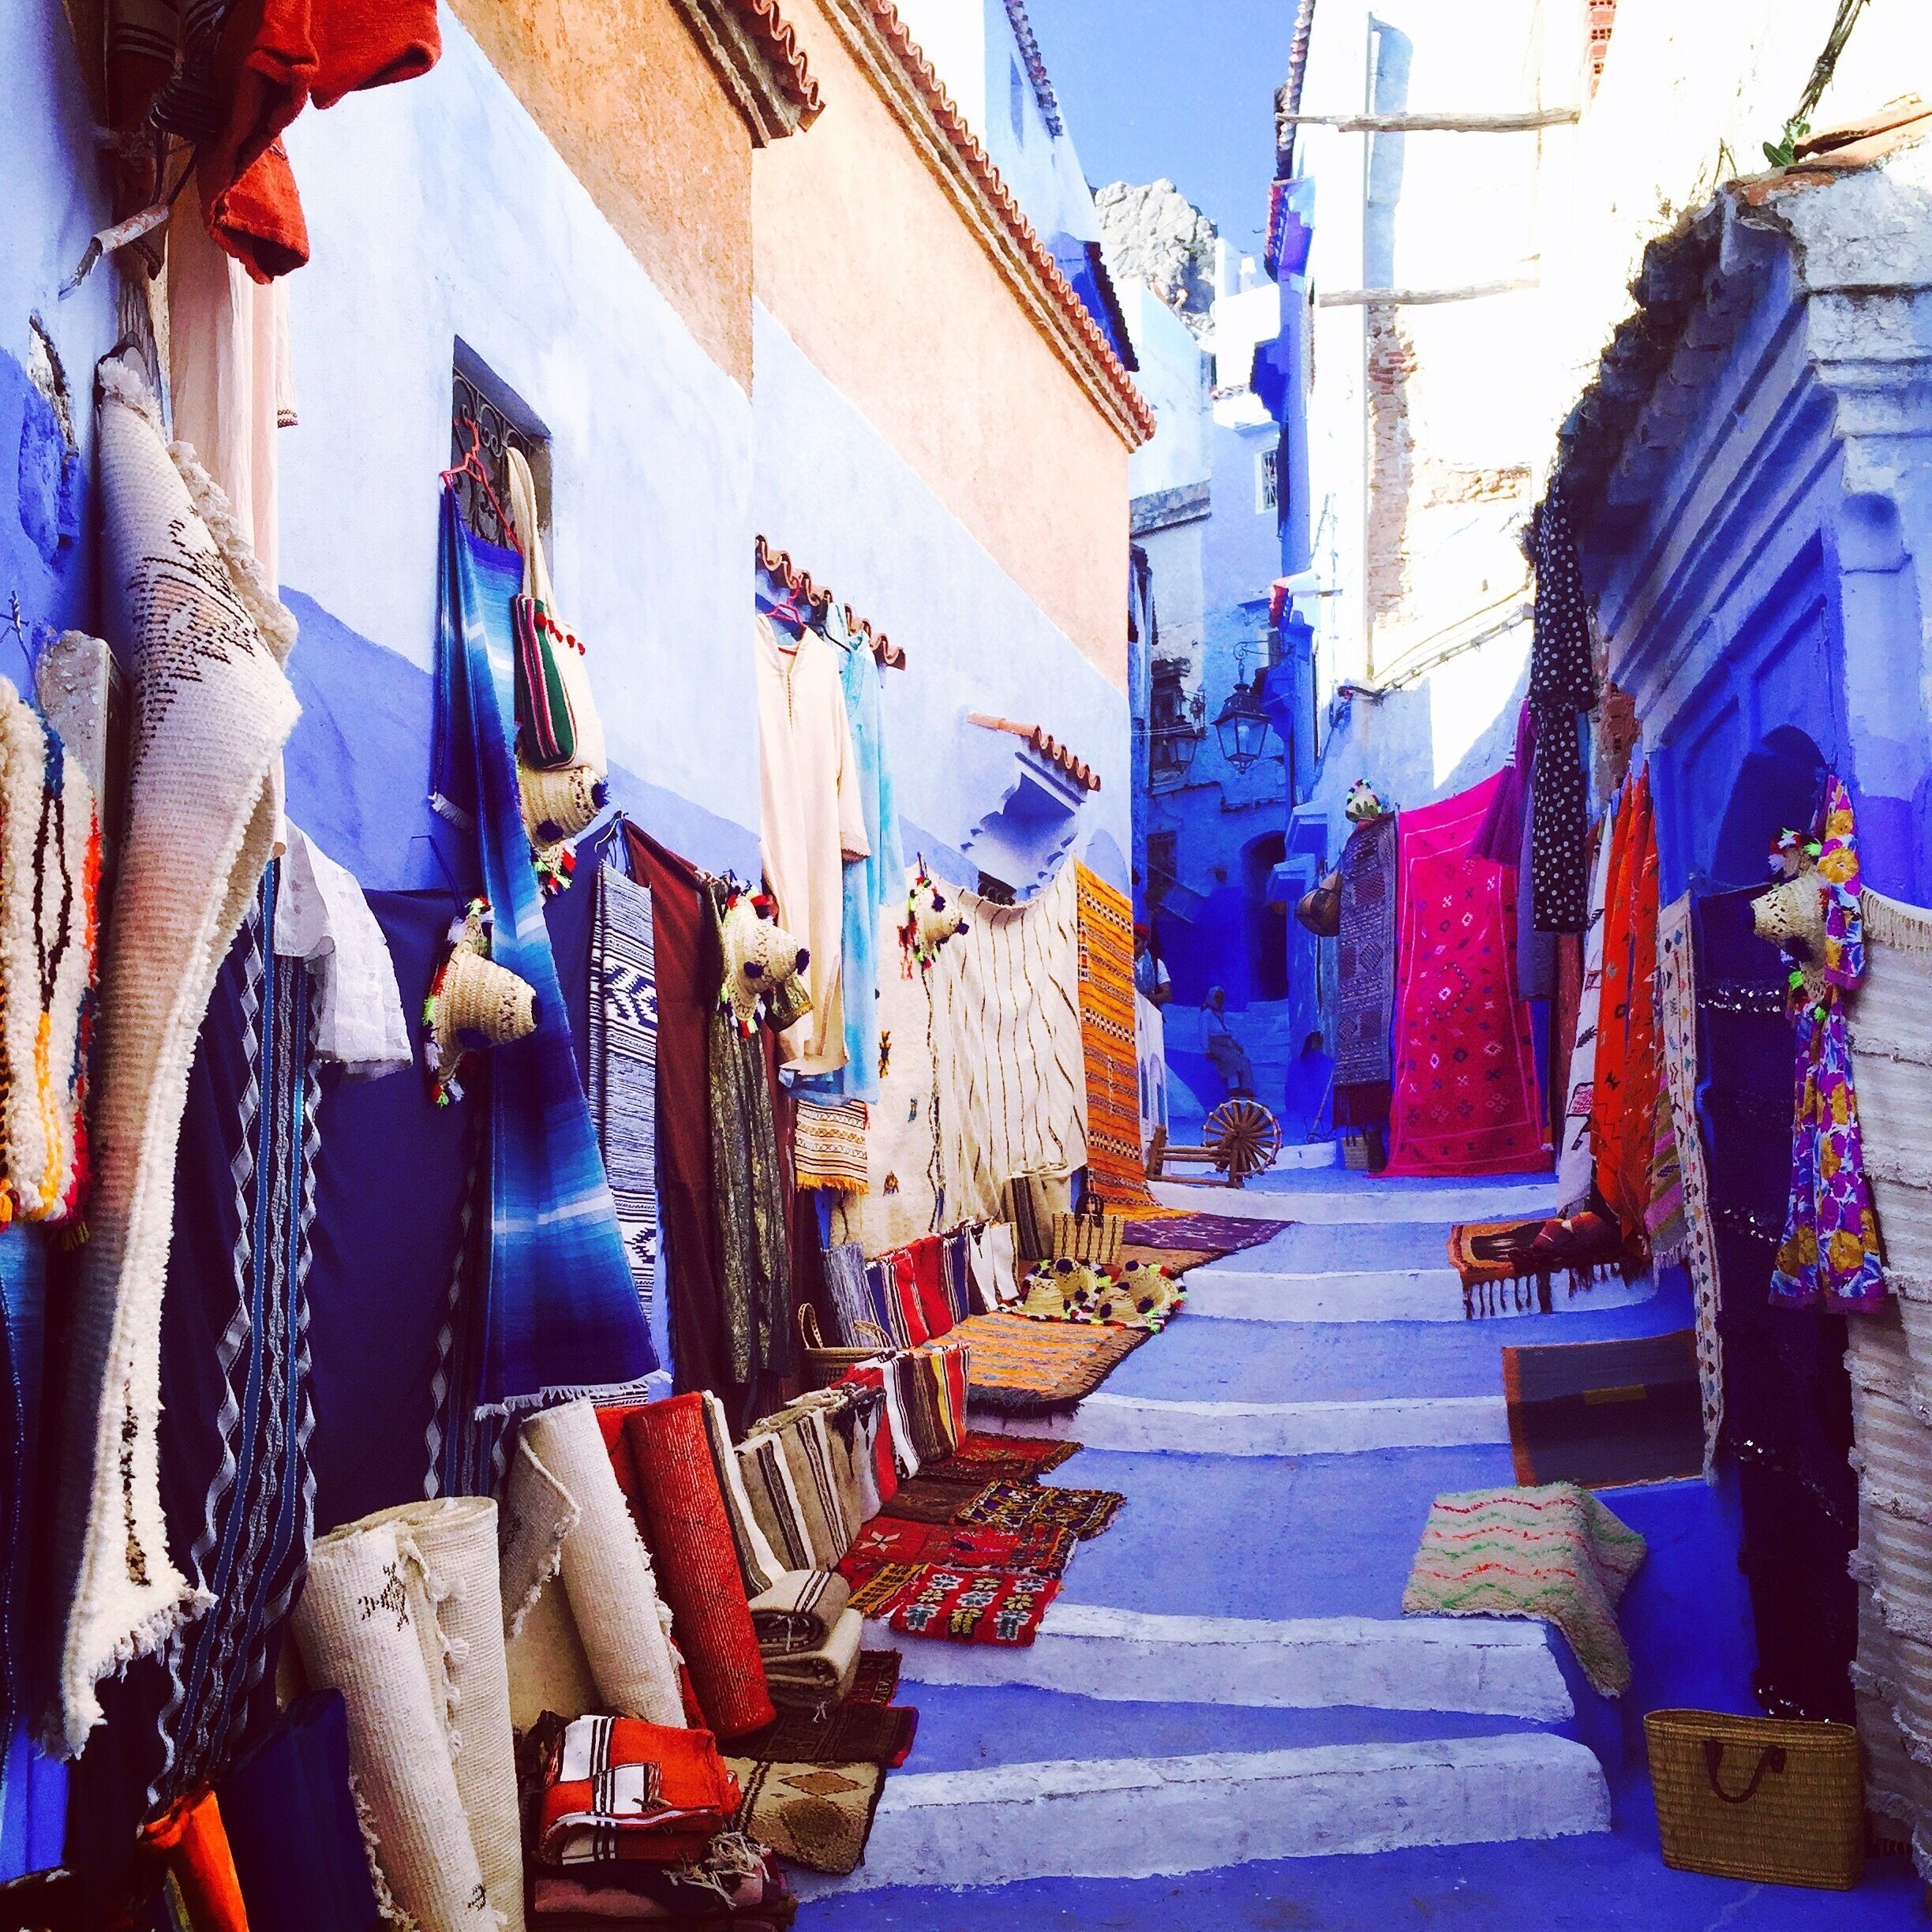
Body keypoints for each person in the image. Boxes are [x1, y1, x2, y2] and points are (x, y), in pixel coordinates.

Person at [1200, 986, 1255, 1098]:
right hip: (1215, 1044)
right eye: (1217, 997)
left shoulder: (1221, 1014)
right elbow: (1203, 1032)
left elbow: (1227, 1031)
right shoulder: (1207, 1014)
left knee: (1244, 1060)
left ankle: (1246, 1087)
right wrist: (1206, 1050)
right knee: (1231, 1059)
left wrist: (1236, 1044)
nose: (1220, 1000)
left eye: (1221, 997)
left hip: (1226, 1043)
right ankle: (1234, 1089)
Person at [1133, 923, 1172, 1005]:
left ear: (1144, 943)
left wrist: (1146, 998)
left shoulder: (1156, 963)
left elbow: (1167, 995)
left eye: (1135, 941)